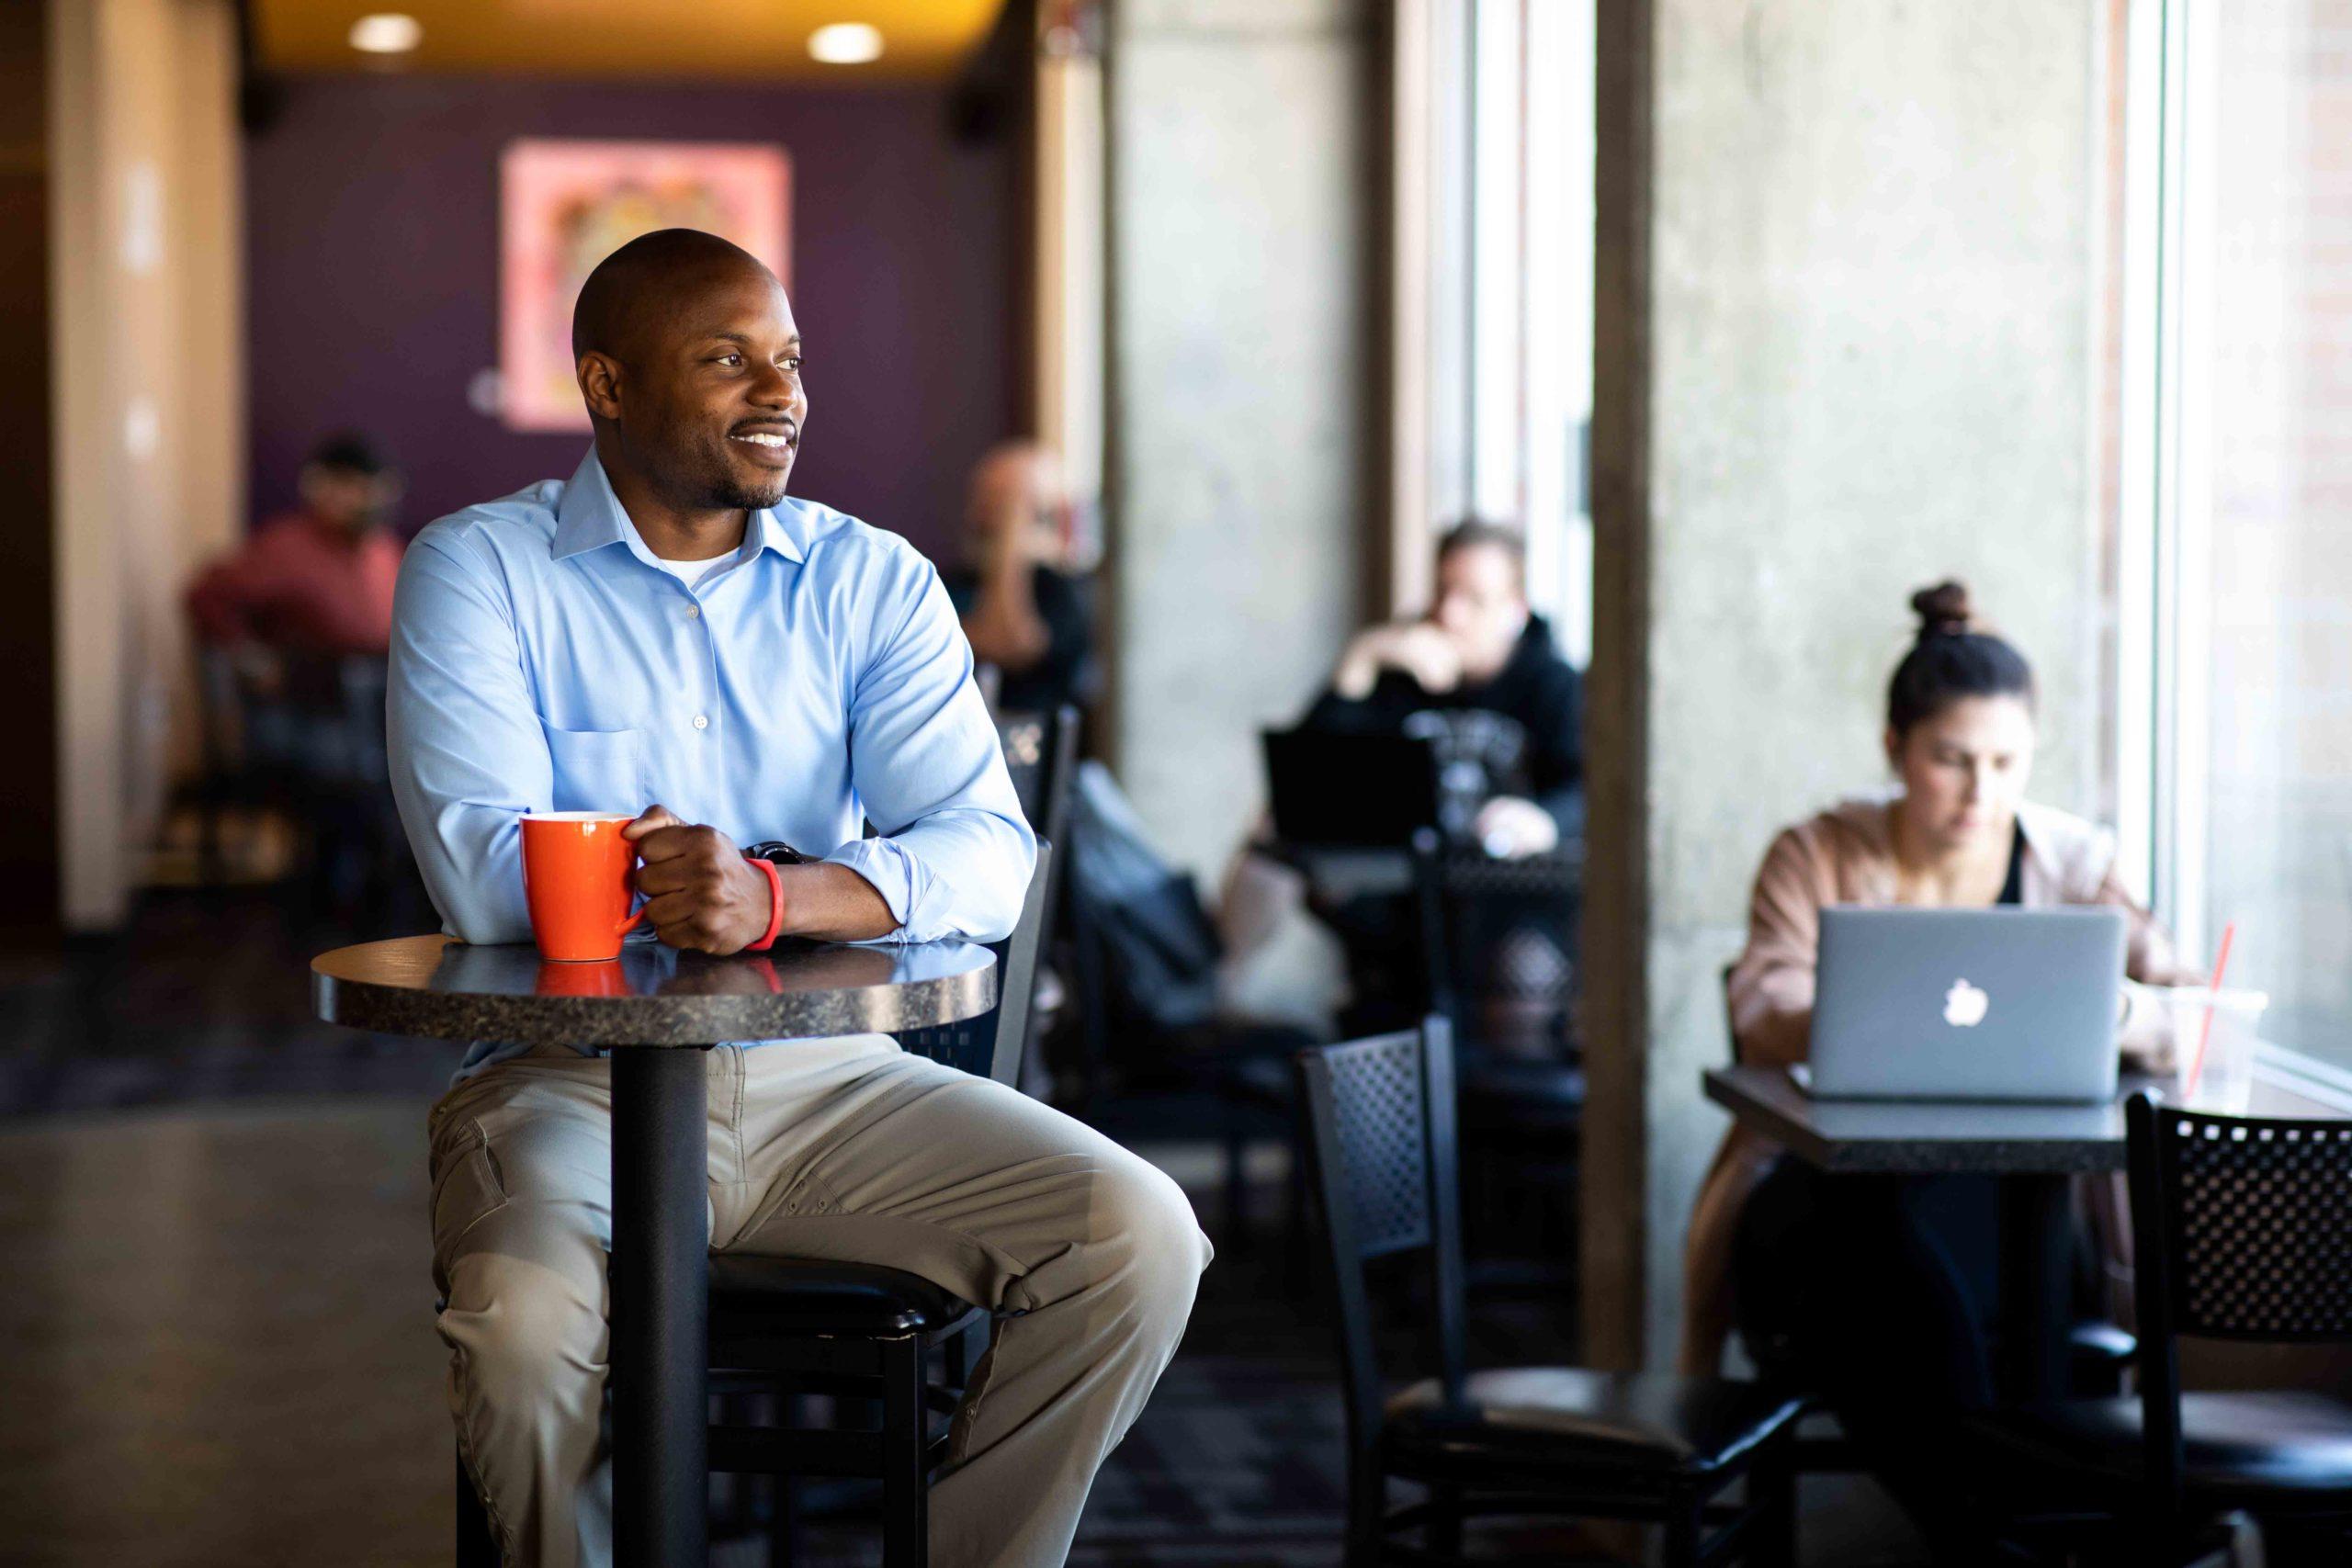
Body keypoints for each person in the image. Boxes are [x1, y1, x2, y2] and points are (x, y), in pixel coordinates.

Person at [386, 230, 1208, 1568]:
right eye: (727, 358)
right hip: (566, 1088)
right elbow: (487, 878)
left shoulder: (871, 580)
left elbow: (992, 855)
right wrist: (787, 888)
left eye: (791, 358)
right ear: (605, 380)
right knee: (522, 1329)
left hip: (834, 1081)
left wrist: (767, 894)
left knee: (1138, 1232)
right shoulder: (481, 570)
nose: (781, 391)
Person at [1678, 581, 2187, 1551]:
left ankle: (1987, 1529)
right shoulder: (1817, 851)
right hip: (1824, 1202)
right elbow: (1760, 1013)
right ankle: (1992, 1530)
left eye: (2004, 763)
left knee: (1936, 1266)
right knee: (1874, 1251)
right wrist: (1870, 1012)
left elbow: (2184, 1012)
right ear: (1894, 750)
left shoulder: (2076, 866)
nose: (1980, 793)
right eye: (1950, 761)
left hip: (2019, 1214)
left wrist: (2114, 1007)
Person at [1300, 520, 1583, 856]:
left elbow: (1592, 791)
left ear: (1516, 609)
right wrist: (1363, 657)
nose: (1450, 613)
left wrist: (1547, 820)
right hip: (1401, 891)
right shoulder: (1398, 671)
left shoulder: (1554, 685)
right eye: (1442, 591)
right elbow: (1304, 787)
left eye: (1475, 600)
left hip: (1509, 892)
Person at [187, 432, 405, 681]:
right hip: (311, 702)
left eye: (376, 490)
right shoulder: (286, 547)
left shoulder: (385, 548)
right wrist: (248, 657)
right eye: (358, 488)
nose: (371, 501)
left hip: (377, 693)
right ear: (322, 487)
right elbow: (207, 596)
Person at [940, 440, 1095, 714]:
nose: (984, 510)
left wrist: (1012, 536)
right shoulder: (946, 583)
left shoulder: (1059, 590)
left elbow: (1008, 643)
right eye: (984, 494)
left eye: (1005, 499)